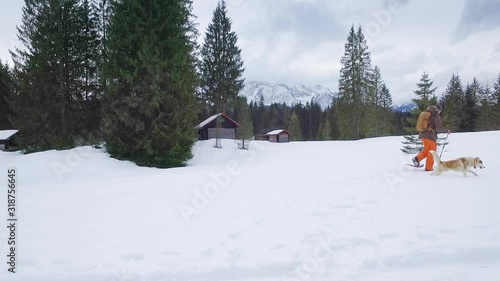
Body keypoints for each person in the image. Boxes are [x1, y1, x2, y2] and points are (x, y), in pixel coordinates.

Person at [412, 104, 451, 171]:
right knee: (432, 152)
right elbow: (438, 128)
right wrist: (446, 131)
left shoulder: (427, 113)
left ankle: (416, 159)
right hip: (430, 136)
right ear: (438, 110)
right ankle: (429, 168)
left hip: (423, 135)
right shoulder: (435, 115)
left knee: (428, 150)